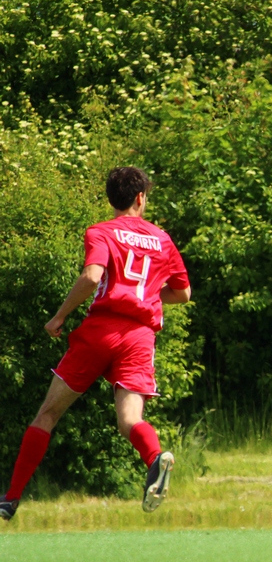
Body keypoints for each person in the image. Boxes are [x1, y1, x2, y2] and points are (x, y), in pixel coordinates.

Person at [0, 167, 192, 521]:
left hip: (100, 331)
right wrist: (149, 294)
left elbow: (92, 276)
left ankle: (11, 498)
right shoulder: (162, 239)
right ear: (140, 197)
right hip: (139, 336)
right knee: (129, 419)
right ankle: (155, 458)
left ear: (112, 199)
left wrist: (59, 317)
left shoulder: (101, 231)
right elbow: (183, 293)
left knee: (48, 414)